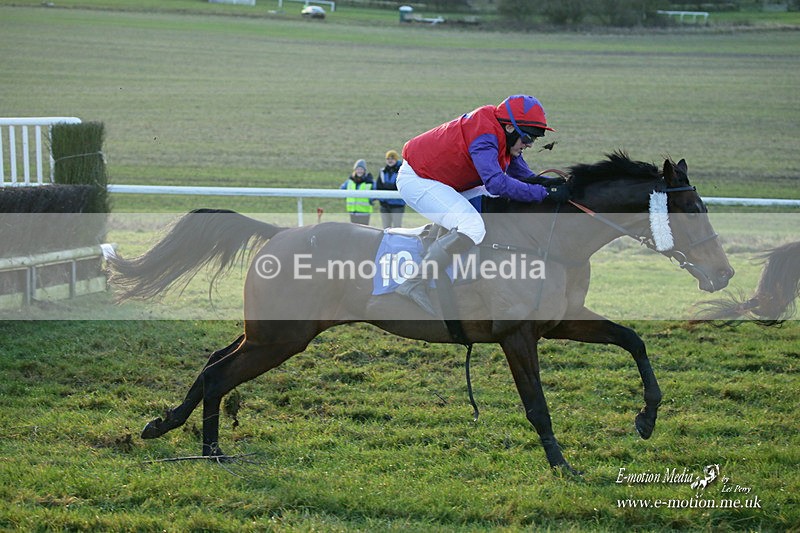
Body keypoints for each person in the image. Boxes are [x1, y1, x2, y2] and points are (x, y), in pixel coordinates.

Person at [395, 94, 570, 315]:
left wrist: (550, 184)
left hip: (443, 179)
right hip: (419, 179)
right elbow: (497, 183)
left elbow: (521, 174)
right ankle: (414, 282)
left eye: (535, 138)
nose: (530, 144)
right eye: (527, 137)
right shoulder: (485, 136)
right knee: (472, 226)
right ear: (509, 128)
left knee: (494, 206)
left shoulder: (502, 131)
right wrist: (544, 193)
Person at [375, 149, 406, 228]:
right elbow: (379, 186)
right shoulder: (382, 171)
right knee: (385, 228)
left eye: (392, 158)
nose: (390, 161)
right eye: (388, 159)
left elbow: (400, 186)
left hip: (397, 205)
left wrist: (388, 187)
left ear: (396, 159)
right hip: (384, 205)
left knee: (397, 228)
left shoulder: (402, 171)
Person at [340, 159, 375, 225]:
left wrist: (371, 200)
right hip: (352, 211)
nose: (359, 171)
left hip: (364, 212)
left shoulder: (369, 182)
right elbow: (341, 191)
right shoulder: (349, 181)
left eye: (361, 169)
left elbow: (375, 193)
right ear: (355, 170)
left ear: (364, 170)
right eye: (358, 169)